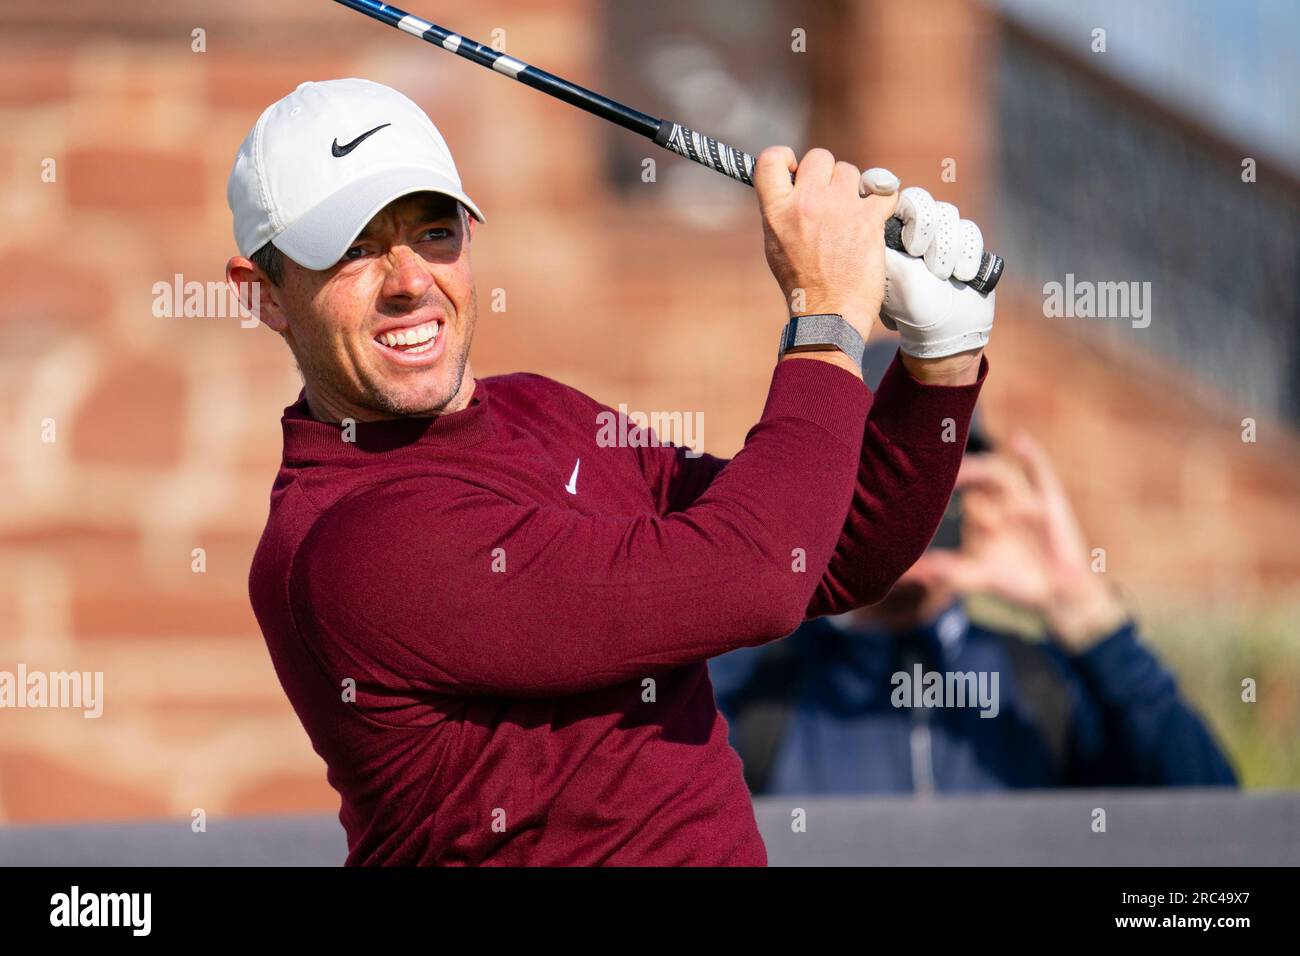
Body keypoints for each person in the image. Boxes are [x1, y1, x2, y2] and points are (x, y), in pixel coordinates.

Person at [227, 78, 997, 865]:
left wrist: (940, 362)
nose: (410, 280)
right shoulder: (352, 544)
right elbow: (754, 578)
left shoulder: (540, 409)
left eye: (434, 232)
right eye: (353, 251)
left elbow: (824, 559)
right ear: (264, 296)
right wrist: (825, 315)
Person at [711, 357, 1236, 794]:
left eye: (938, 467)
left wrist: (1086, 613)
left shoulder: (1042, 689)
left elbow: (1223, 837)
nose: (911, 496)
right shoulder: (753, 696)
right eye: (881, 468)